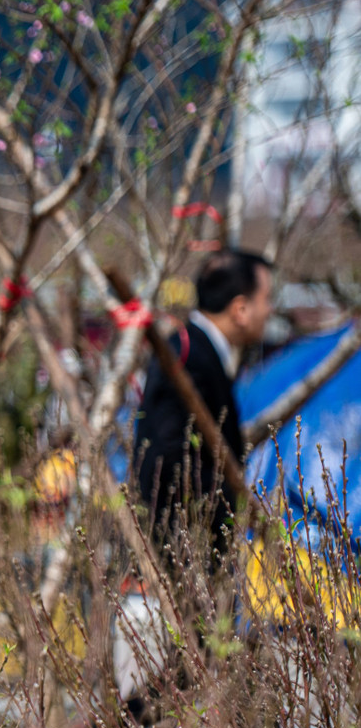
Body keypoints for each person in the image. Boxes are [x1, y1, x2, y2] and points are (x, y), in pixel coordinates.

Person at [135, 248, 273, 578]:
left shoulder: (199, 351)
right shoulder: (185, 356)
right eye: (266, 299)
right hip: (185, 552)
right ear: (240, 309)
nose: (270, 310)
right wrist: (233, 501)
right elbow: (168, 457)